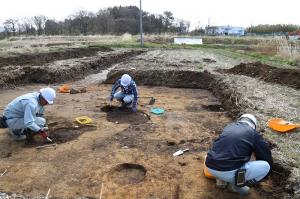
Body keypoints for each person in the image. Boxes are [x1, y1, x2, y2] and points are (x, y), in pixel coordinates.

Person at [205, 114, 273, 195]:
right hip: (229, 172)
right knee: (265, 165)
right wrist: (267, 175)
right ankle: (236, 186)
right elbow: (265, 156)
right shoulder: (252, 133)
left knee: (226, 152)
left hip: (210, 166)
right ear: (254, 125)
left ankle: (221, 181)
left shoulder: (229, 127)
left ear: (240, 121)